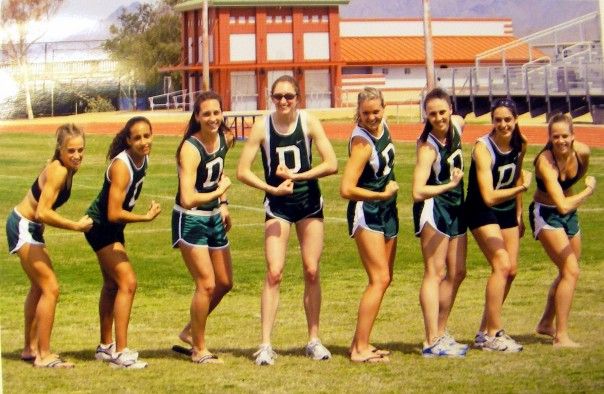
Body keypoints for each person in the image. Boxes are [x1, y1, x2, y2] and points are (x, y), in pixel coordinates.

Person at [237, 75, 338, 366]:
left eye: (289, 96)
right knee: (274, 271)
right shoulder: (262, 125)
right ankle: (266, 344)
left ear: (298, 97)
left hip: (308, 204)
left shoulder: (309, 122)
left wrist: (298, 176)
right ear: (271, 97)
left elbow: (331, 163)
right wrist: (271, 188)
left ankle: (314, 340)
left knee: (311, 269)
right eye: (278, 96)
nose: (283, 101)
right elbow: (243, 170)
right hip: (278, 205)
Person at [6, 124, 92, 368]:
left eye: (80, 150)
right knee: (50, 289)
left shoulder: (64, 168)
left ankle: (29, 348)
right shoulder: (59, 171)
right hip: (23, 226)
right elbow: (42, 212)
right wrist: (76, 226)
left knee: (39, 287)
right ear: (60, 150)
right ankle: (43, 355)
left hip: (29, 227)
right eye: (71, 151)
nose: (76, 155)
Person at [85, 116, 161, 368]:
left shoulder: (144, 158)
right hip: (102, 227)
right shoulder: (121, 165)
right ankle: (120, 352)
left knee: (111, 285)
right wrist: (145, 217)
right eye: (137, 137)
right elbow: (113, 212)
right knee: (128, 283)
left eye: (146, 136)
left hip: (113, 229)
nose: (143, 141)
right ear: (127, 140)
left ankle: (105, 348)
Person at [172, 91, 235, 364]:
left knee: (224, 282)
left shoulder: (226, 138)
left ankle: (189, 331)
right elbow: (187, 197)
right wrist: (218, 192)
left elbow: (218, 172)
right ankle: (199, 349)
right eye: (206, 113)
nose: (212, 118)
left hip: (212, 216)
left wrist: (223, 203)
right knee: (206, 284)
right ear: (197, 116)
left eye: (216, 113)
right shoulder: (189, 148)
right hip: (190, 218)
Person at [466, 98, 531, 352]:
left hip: (506, 210)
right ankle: (494, 334)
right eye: (498, 120)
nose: (503, 124)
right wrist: (522, 188)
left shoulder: (520, 143)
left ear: (515, 120)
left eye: (508, 119)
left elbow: (516, 174)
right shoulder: (483, 147)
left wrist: (519, 212)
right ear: (492, 121)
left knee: (511, 270)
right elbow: (489, 195)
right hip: (482, 208)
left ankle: (484, 331)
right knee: (501, 264)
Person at [340, 87, 398, 363]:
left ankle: (359, 342)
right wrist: (380, 194)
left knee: (385, 279)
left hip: (387, 210)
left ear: (383, 109)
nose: (372, 117)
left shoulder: (382, 126)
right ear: (358, 113)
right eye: (366, 113)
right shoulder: (362, 145)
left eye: (376, 111)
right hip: (368, 210)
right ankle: (360, 349)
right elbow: (346, 188)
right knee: (379, 278)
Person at [412, 88, 468, 357]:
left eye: (442, 112)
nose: (438, 118)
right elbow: (418, 190)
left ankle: (441, 333)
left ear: (451, 110)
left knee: (458, 272)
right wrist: (449, 184)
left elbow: (464, 122)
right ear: (426, 115)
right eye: (432, 114)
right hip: (435, 208)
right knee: (435, 273)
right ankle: (430, 338)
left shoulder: (457, 125)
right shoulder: (427, 148)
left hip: (457, 206)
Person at [531, 113, 595, 347]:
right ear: (549, 138)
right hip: (547, 214)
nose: (560, 141)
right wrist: (588, 191)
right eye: (555, 137)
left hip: (569, 216)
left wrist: (577, 188)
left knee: (568, 271)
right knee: (571, 271)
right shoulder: (545, 162)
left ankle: (546, 323)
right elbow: (562, 204)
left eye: (565, 136)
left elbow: (580, 172)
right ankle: (561, 336)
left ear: (573, 136)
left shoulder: (583, 152)